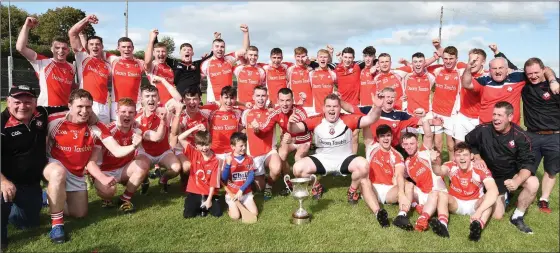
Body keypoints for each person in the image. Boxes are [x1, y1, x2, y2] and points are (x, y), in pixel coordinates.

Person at [43, 89, 139, 243]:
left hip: (77, 172)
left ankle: (49, 197)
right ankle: (57, 226)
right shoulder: (54, 120)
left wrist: (134, 146)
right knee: (58, 173)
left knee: (80, 213)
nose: (84, 111)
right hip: (55, 165)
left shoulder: (97, 126)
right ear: (69, 105)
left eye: (88, 107)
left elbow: (116, 150)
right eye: (79, 106)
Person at [288, 93, 392, 227]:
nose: (332, 109)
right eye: (329, 106)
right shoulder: (316, 120)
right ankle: (316, 186)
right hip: (322, 159)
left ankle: (354, 191)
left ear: (340, 108)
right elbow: (295, 129)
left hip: (344, 158)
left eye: (335, 106)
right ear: (323, 108)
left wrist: (377, 107)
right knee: (297, 168)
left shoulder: (348, 119)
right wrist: (290, 123)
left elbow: (370, 119)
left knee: (363, 165)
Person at [1, 85, 68, 250]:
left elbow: (71, 107)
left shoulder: (42, 113)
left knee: (28, 223)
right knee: (2, 193)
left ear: (35, 102)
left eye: (27, 101)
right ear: (8, 102)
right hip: (6, 179)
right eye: (17, 102)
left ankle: (42, 197)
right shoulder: (1, 124)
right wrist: (2, 181)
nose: (23, 106)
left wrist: (93, 115)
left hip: (29, 183)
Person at [465, 101, 538, 234]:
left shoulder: (520, 136)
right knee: (496, 214)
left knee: (533, 182)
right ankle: (499, 196)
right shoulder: (483, 129)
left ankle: (517, 216)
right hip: (488, 176)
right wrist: (477, 156)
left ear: (510, 117)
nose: (495, 118)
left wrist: (516, 181)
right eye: (494, 114)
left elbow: (528, 164)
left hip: (508, 176)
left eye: (500, 115)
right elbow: (469, 141)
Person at [430, 142, 499, 241]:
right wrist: (434, 162)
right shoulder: (450, 165)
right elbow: (438, 171)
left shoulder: (480, 169)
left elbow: (494, 191)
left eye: (465, 155)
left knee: (490, 199)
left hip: (475, 204)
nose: (462, 158)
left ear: (471, 156)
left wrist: (479, 212)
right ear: (454, 157)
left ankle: (478, 227)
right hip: (456, 203)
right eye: (458, 155)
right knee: (441, 194)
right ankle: (443, 226)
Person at [461, 56, 557, 126]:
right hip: (487, 128)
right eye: (494, 68)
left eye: (501, 68)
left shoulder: (518, 77)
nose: (497, 71)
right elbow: (466, 84)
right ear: (489, 70)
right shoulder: (484, 81)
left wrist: (552, 81)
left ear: (507, 69)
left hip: (510, 130)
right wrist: (468, 67)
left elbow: (545, 69)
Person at [93, 98, 150, 213]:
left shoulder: (136, 130)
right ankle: (106, 198)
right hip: (106, 171)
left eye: (131, 112)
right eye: (123, 112)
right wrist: (98, 177)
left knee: (144, 162)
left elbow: (153, 137)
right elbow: (94, 159)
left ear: (135, 114)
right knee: (109, 191)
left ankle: (125, 199)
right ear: (117, 112)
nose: (127, 115)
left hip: (124, 169)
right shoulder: (107, 131)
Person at [520, 58, 560, 213]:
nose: (533, 76)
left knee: (551, 170)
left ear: (543, 69)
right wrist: (497, 53)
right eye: (530, 73)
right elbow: (507, 66)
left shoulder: (556, 85)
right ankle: (525, 194)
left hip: (554, 136)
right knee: (527, 168)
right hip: (532, 135)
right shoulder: (526, 86)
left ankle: (544, 199)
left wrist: (553, 80)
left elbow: (550, 71)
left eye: (536, 72)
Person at [257, 88, 312, 195]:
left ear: (292, 100)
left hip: (303, 140)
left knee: (298, 158)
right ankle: (289, 183)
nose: (285, 104)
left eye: (288, 100)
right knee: (281, 155)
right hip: (288, 141)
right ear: (277, 100)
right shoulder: (276, 112)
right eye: (282, 100)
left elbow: (309, 134)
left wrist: (294, 139)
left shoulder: (300, 112)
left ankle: (307, 182)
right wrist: (256, 129)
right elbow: (264, 130)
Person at [399, 117, 448, 232]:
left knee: (435, 194)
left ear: (417, 143)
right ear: (402, 145)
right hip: (422, 194)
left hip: (436, 191)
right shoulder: (406, 162)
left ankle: (423, 218)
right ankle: (416, 206)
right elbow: (401, 178)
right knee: (404, 184)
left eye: (412, 143)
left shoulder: (424, 151)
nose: (409, 146)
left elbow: (428, 135)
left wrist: (424, 118)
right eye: (406, 144)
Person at [364, 124, 415, 230]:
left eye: (388, 135)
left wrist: (401, 193)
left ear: (392, 137)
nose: (386, 138)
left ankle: (401, 216)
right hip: (372, 188)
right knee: (364, 181)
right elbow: (366, 124)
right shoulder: (371, 147)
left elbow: (399, 175)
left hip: (388, 191)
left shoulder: (397, 155)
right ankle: (378, 213)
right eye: (382, 136)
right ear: (377, 138)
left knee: (409, 185)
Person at [16, 17, 75, 107]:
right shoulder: (42, 62)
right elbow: (21, 48)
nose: (61, 51)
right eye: (57, 48)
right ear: (51, 49)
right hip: (46, 109)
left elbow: (71, 86)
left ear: (68, 50)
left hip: (66, 109)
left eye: (64, 48)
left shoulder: (72, 67)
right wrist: (26, 27)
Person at [134, 85, 182, 194]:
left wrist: (163, 81)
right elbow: (157, 138)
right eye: (147, 96)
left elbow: (179, 99)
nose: (151, 99)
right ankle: (145, 181)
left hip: (164, 152)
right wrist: (163, 120)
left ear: (158, 98)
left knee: (176, 168)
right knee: (141, 169)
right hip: (145, 153)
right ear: (141, 99)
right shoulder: (137, 119)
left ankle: (163, 178)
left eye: (154, 96)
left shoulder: (166, 111)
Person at [68, 14, 112, 123]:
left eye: (98, 44)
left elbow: (108, 82)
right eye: (91, 44)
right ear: (87, 46)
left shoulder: (108, 65)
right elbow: (72, 33)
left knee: (103, 137)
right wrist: (86, 20)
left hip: (104, 107)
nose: (95, 46)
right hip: (86, 105)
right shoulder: (82, 57)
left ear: (102, 47)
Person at [243, 86, 282, 200]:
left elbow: (284, 116)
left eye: (263, 96)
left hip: (269, 150)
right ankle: (258, 179)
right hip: (254, 154)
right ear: (253, 97)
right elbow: (241, 129)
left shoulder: (272, 112)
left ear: (267, 98)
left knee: (276, 168)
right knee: (260, 188)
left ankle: (269, 186)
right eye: (258, 96)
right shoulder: (245, 113)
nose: (261, 99)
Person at [174, 126, 223, 218]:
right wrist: (195, 128)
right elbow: (180, 138)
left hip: (208, 192)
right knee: (188, 215)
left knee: (217, 213)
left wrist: (209, 200)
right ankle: (192, 202)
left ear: (211, 143)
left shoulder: (216, 160)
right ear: (196, 145)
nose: (204, 148)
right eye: (201, 145)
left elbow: (213, 183)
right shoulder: (194, 153)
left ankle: (211, 200)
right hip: (194, 191)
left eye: (207, 144)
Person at [170, 86, 210, 189]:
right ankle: (184, 179)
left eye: (195, 98)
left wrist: (205, 131)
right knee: (188, 166)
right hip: (183, 149)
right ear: (184, 100)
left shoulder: (205, 115)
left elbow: (208, 135)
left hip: (199, 149)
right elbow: (175, 134)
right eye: (188, 99)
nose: (192, 102)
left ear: (200, 99)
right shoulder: (181, 116)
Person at [201, 24, 250, 103]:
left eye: (222, 47)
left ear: (224, 48)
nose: (220, 49)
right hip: (213, 102)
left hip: (228, 101)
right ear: (212, 49)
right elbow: (197, 80)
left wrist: (246, 33)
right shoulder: (205, 64)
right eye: (217, 46)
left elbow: (244, 50)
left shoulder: (229, 59)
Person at [221, 132, 259, 220]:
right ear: (233, 147)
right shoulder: (228, 159)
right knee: (235, 216)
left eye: (245, 145)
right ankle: (230, 207)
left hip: (245, 193)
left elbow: (251, 176)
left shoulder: (249, 159)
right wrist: (228, 165)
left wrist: (241, 190)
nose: (244, 148)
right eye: (241, 146)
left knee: (254, 213)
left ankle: (242, 204)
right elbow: (224, 179)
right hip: (232, 194)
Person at [107, 37, 145, 121]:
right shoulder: (113, 60)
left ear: (133, 48)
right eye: (123, 47)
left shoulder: (140, 63)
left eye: (129, 47)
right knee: (116, 130)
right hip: (116, 103)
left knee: (136, 130)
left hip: (136, 104)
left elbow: (150, 64)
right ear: (118, 48)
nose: (126, 49)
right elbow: (92, 51)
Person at [144, 29, 184, 110]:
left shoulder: (170, 68)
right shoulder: (152, 66)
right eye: (158, 51)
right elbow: (147, 61)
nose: (161, 54)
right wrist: (151, 41)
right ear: (154, 53)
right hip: (156, 105)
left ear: (166, 53)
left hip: (170, 105)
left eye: (163, 51)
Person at [205, 86, 244, 161]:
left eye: (232, 98)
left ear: (235, 99)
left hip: (232, 152)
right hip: (214, 152)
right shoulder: (211, 111)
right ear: (220, 98)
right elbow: (196, 108)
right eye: (226, 97)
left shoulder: (238, 112)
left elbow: (251, 109)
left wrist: (244, 104)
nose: (229, 101)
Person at [309, 49, 337, 116]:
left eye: (325, 57)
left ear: (328, 59)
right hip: (314, 110)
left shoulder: (333, 74)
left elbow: (340, 87)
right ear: (317, 59)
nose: (323, 59)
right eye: (321, 57)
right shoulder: (311, 73)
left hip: (330, 109)